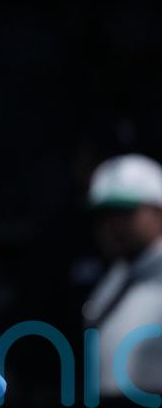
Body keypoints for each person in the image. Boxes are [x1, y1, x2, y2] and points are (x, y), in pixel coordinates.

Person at [82, 153, 162, 402]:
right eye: (104, 215)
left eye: (125, 212)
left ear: (157, 210)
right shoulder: (114, 277)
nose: (113, 225)